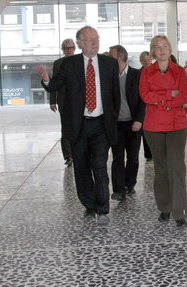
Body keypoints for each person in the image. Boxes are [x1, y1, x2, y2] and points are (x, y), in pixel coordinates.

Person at [36, 26, 120, 225]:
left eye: (96, 38)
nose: (95, 42)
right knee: (81, 167)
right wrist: (46, 79)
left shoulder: (109, 64)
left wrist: (112, 119)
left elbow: (115, 96)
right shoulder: (70, 64)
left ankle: (102, 208)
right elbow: (55, 85)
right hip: (79, 125)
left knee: (99, 166)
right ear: (80, 44)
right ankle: (89, 206)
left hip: (101, 124)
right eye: (90, 40)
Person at [139, 35, 187, 227]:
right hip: (154, 126)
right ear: (153, 51)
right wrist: (169, 94)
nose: (161, 50)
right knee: (161, 169)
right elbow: (145, 96)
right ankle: (164, 208)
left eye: (164, 46)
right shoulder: (146, 73)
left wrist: (159, 98)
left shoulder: (179, 71)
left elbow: (184, 96)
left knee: (177, 167)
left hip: (177, 125)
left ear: (169, 49)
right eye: (157, 47)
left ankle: (179, 211)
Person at [108, 45, 145, 201]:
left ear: (120, 58)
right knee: (117, 157)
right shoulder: (109, 77)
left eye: (111, 57)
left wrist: (139, 120)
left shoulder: (137, 75)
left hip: (133, 123)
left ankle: (129, 185)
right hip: (116, 124)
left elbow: (143, 100)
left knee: (133, 157)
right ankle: (118, 189)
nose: (107, 60)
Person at [50, 38, 76, 167]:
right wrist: (52, 101)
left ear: (74, 49)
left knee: (78, 127)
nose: (69, 50)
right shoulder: (58, 63)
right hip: (63, 101)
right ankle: (68, 156)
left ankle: (77, 154)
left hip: (78, 101)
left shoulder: (80, 61)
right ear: (63, 50)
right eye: (66, 48)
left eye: (71, 48)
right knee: (65, 129)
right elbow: (54, 83)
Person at [139, 51, 153, 161]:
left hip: (154, 103)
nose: (147, 62)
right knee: (145, 130)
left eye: (148, 59)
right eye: (144, 60)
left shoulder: (156, 71)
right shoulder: (138, 73)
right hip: (143, 104)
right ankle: (148, 154)